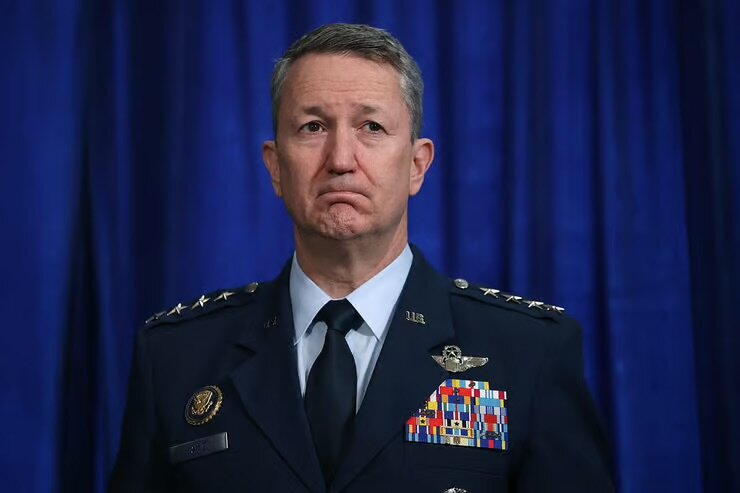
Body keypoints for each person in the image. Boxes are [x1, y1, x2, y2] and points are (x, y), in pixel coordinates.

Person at [110, 23, 613, 492]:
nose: (341, 160)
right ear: (276, 166)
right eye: (312, 127)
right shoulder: (176, 357)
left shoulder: (528, 354)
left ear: (417, 165)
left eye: (371, 126)